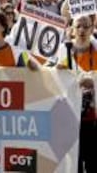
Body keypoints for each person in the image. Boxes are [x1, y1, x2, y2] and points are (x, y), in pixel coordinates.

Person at [53, 15, 97, 173]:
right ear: (71, 29)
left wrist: (93, 83)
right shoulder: (62, 51)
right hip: (70, 117)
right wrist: (56, 72)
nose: (82, 30)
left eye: (86, 26)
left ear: (92, 29)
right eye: (78, 26)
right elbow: (48, 78)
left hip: (92, 119)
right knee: (73, 163)